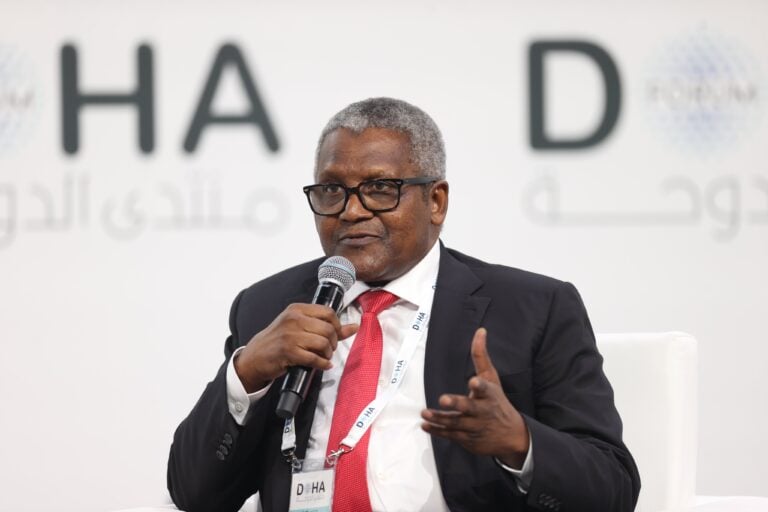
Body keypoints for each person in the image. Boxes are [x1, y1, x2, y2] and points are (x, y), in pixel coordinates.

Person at [167, 97, 640, 512]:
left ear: (436, 201)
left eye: (380, 188)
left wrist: (520, 442)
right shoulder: (268, 306)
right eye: (331, 190)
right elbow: (194, 495)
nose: (351, 211)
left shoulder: (533, 308)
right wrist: (247, 373)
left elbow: (612, 489)